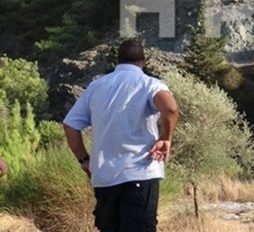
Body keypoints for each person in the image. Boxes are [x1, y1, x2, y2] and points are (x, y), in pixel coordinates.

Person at [63, 39, 179, 232]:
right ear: (143, 61)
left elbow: (70, 125)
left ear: (117, 60)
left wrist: (84, 160)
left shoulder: (96, 87)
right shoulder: (149, 84)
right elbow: (171, 108)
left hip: (105, 177)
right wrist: (165, 138)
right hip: (140, 172)